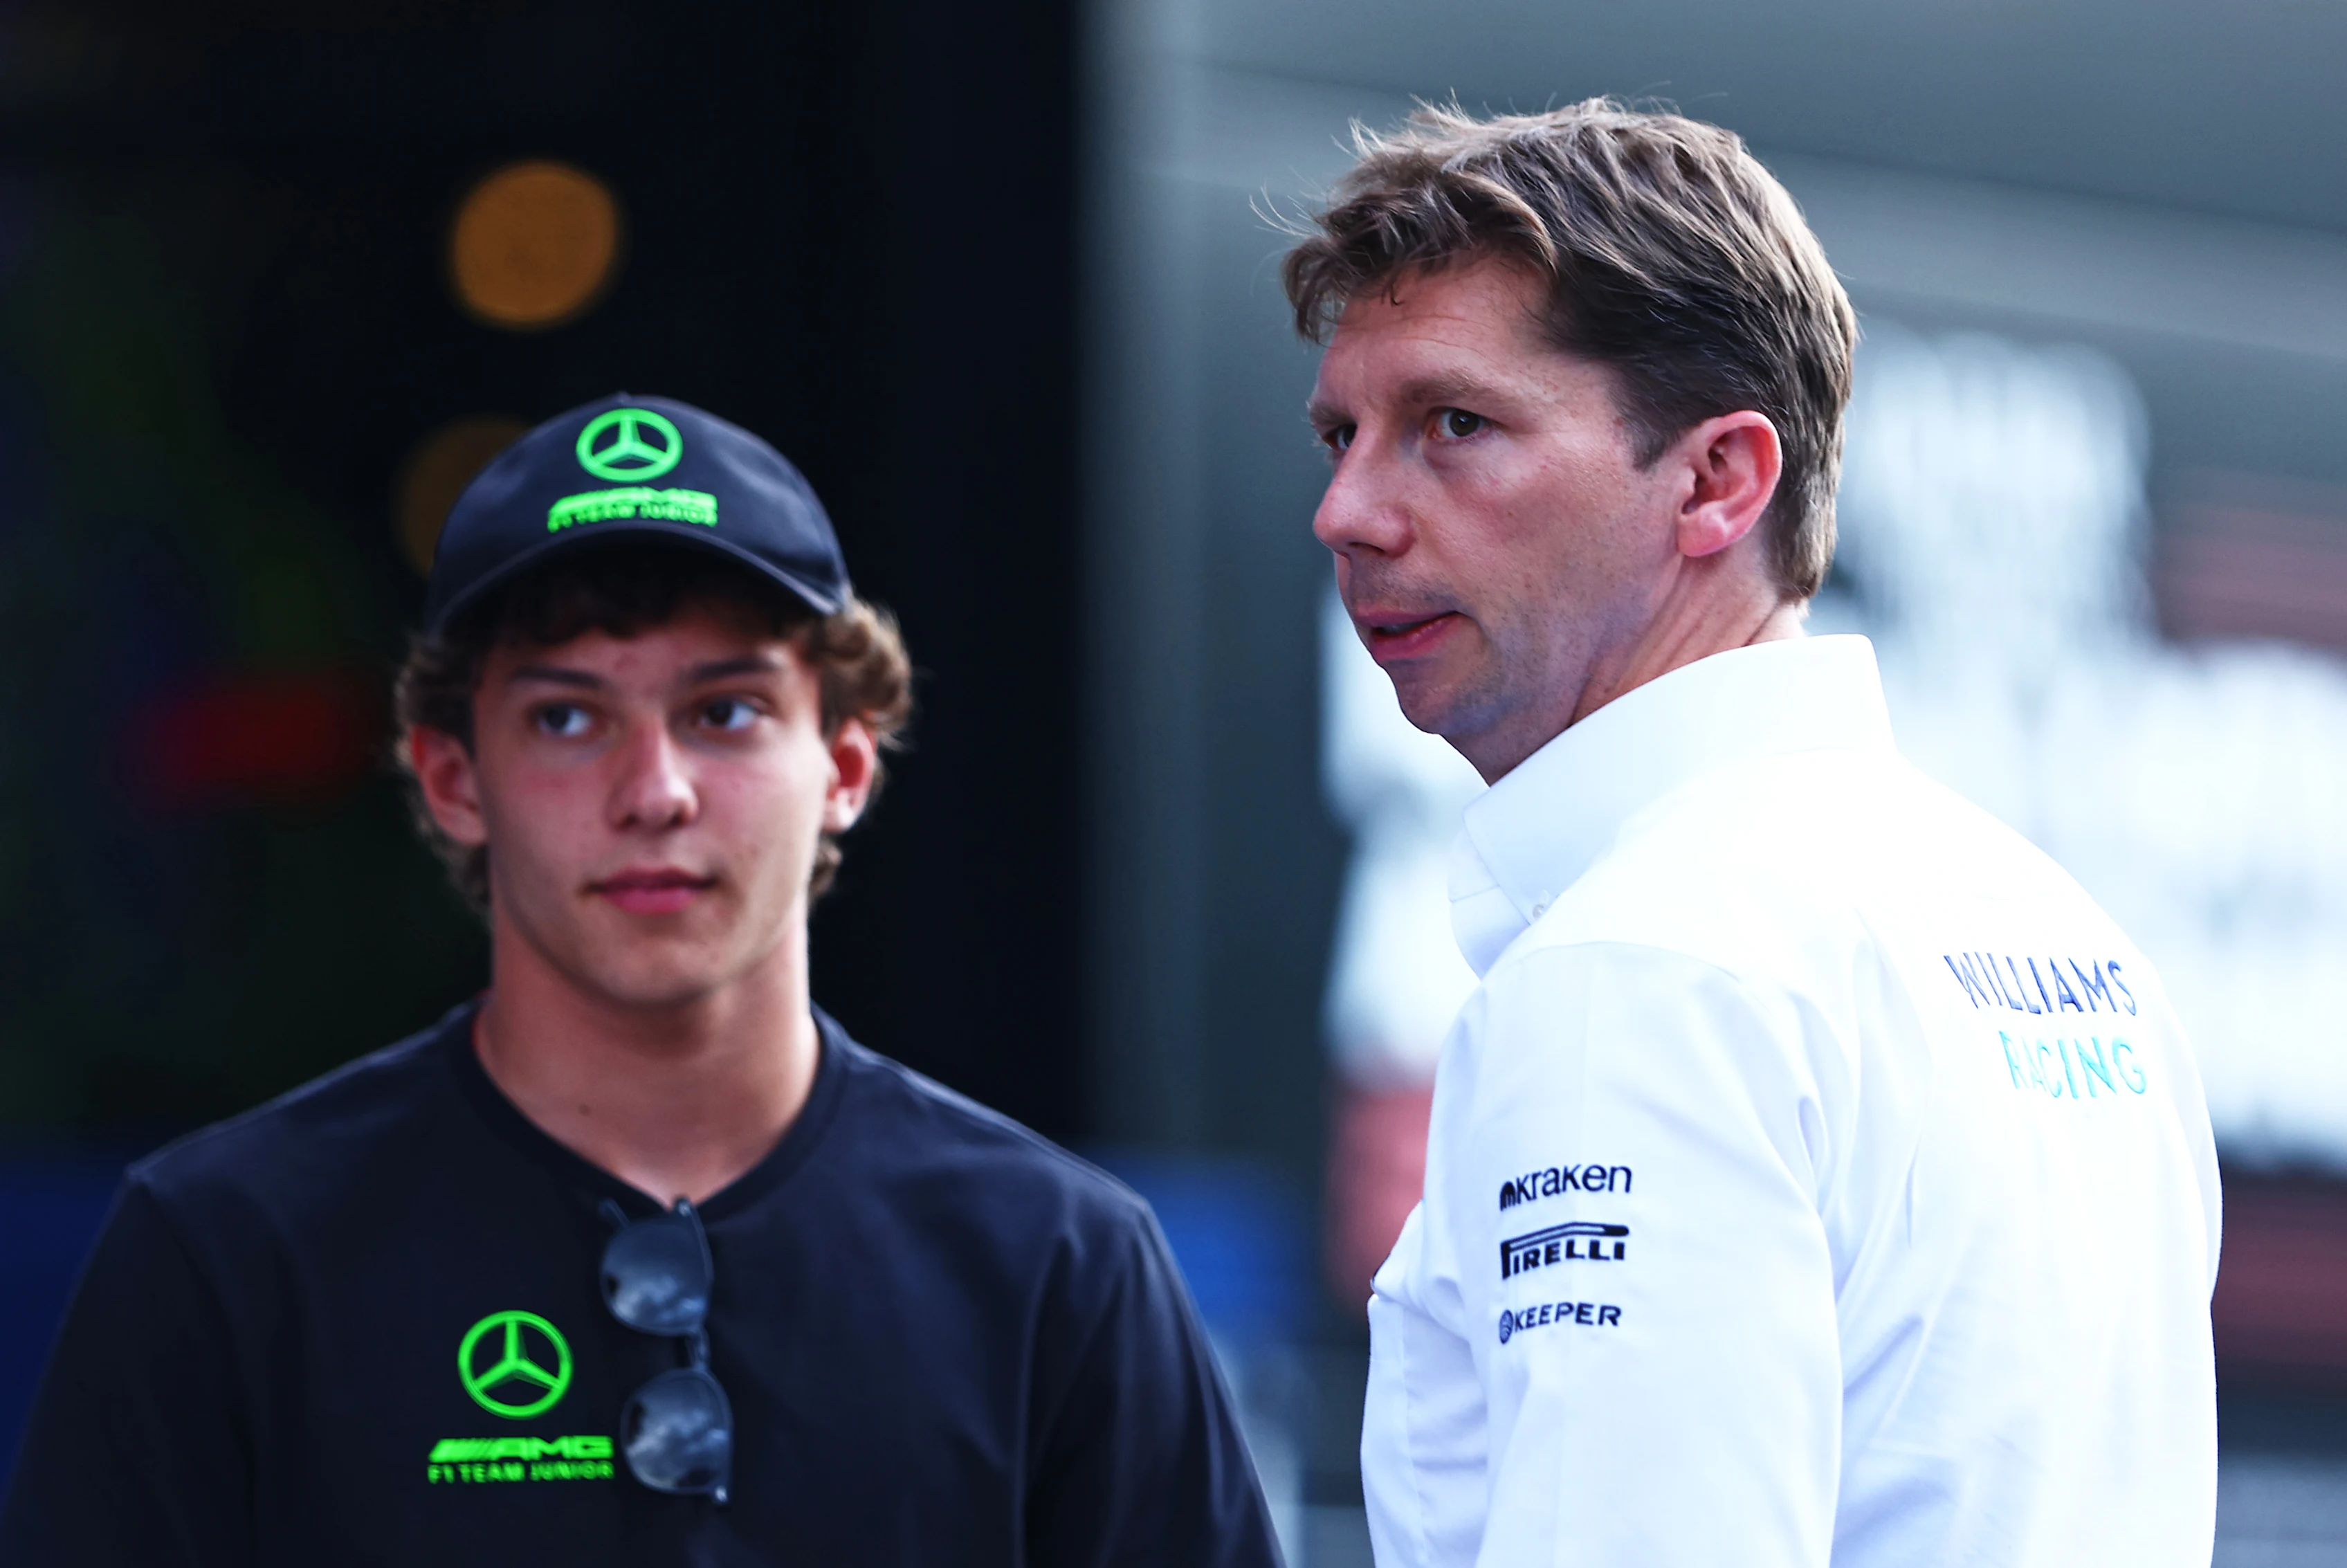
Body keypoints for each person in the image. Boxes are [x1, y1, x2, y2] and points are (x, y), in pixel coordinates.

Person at [0, 394, 1283, 1567]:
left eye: (724, 711)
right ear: (453, 778)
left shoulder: (1058, 1263)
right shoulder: (229, 1253)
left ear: (843, 766)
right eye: (567, 716)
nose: (654, 791)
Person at [1285, 102, 2220, 1567]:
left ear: (1718, 479)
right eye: (1343, 434)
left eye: (1451, 425)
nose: (1348, 509)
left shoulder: (1641, 965)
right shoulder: (2066, 937)